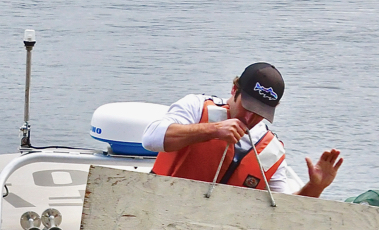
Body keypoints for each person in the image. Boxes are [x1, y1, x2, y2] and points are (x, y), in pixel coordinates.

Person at [142, 62, 342, 197]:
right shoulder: (196, 106)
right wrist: (212, 130)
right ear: (234, 90)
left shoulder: (272, 150)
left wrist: (315, 187)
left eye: (259, 112)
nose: (249, 118)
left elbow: (283, 213)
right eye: (247, 107)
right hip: (162, 207)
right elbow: (150, 139)